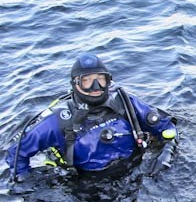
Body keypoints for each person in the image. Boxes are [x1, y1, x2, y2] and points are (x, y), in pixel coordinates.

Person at [5, 54, 178, 182]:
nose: (96, 87)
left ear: (108, 81)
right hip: (87, 185)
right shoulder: (58, 120)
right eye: (87, 81)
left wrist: (166, 154)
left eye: (100, 79)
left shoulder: (125, 103)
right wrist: (27, 184)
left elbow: (167, 126)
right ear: (75, 84)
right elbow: (16, 154)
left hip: (135, 171)